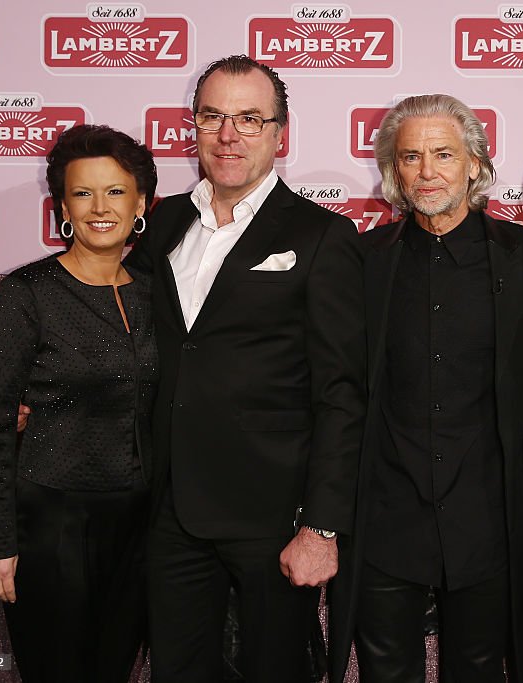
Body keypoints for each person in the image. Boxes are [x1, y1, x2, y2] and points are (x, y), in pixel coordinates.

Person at [123, 55, 366, 682]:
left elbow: (342, 392)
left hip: (275, 516)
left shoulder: (321, 236)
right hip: (171, 509)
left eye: (250, 119)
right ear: (195, 126)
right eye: (214, 116)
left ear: (280, 134)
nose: (229, 135)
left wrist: (322, 527)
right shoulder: (160, 224)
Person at [328, 94, 523, 683]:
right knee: (385, 672)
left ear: (475, 163)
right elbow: (336, 385)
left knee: (478, 670)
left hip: (487, 514)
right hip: (386, 515)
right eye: (411, 157)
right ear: (393, 171)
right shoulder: (364, 261)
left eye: (443, 154)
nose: (427, 172)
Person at [0, 124, 158, 682]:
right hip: (51, 524)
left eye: (116, 192)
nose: (101, 208)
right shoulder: (27, 292)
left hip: (140, 526)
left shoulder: (156, 294)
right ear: (62, 207)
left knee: (113, 670)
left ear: (141, 202)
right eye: (83, 193)